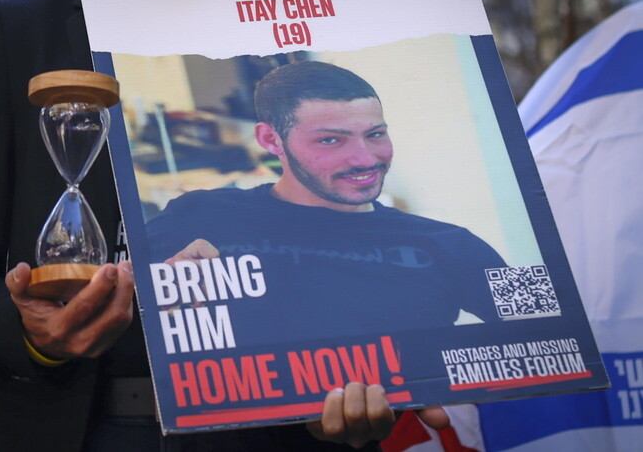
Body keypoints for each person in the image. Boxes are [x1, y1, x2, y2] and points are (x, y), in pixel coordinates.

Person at [0, 0, 447, 451]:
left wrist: (382, 373)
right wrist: (31, 334)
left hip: (280, 434)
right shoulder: (22, 29)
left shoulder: (336, 19)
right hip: (78, 429)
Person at [148, 61, 506, 343]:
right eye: (331, 140)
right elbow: (119, 315)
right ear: (271, 139)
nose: (365, 159)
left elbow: (539, 331)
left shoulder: (454, 245)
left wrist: (458, 396)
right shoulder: (197, 215)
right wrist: (159, 287)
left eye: (375, 134)